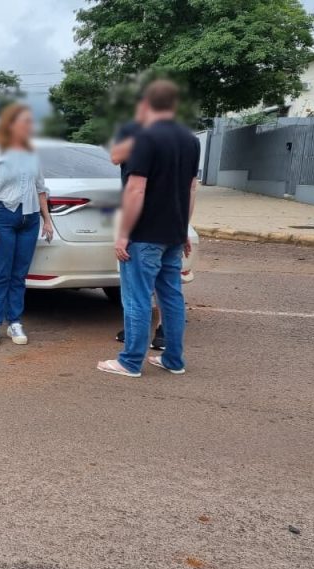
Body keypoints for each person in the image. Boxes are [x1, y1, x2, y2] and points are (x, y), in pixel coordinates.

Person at [97, 80, 199, 377]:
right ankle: (173, 359)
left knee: (137, 298)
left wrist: (124, 234)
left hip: (144, 234)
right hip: (173, 234)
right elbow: (191, 188)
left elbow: (136, 189)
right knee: (171, 297)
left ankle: (130, 362)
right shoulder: (191, 140)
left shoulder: (143, 138)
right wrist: (183, 229)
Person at [0, 103, 54, 346]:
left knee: (19, 275)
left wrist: (47, 220)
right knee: (1, 273)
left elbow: (40, 188)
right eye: (25, 121)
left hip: (29, 218)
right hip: (1, 216)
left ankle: (15, 322)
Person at [110, 101, 166, 351]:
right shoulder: (177, 137)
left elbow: (116, 158)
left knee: (137, 286)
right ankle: (163, 335)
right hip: (171, 217)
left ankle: (134, 350)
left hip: (142, 219)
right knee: (166, 281)